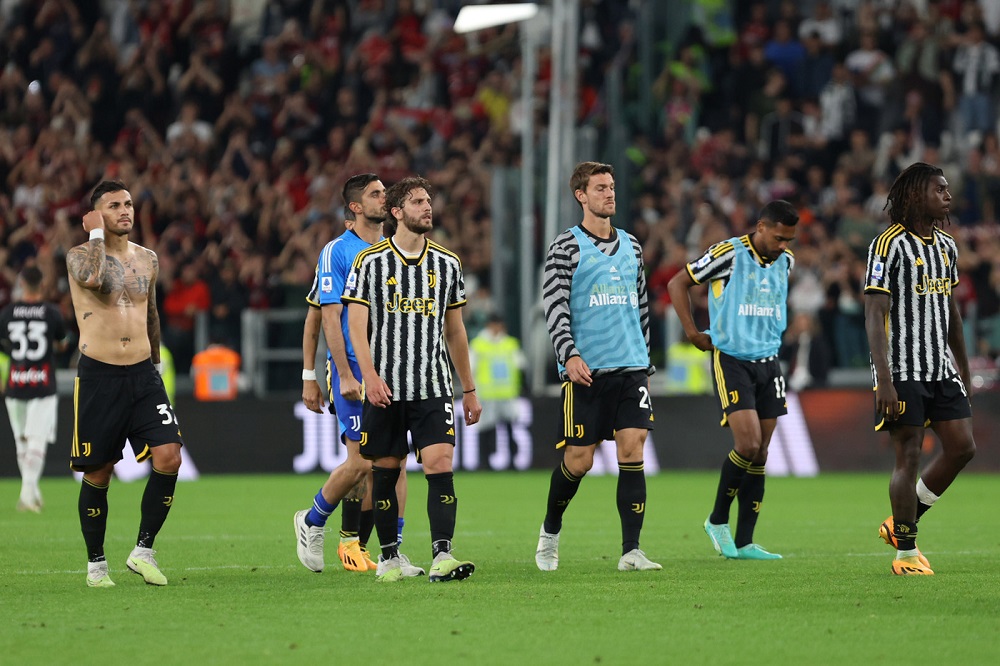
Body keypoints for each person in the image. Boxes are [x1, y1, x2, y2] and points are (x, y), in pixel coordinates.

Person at [344, 175, 482, 582]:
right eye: (418, 202)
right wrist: (369, 376)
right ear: (397, 212)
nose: (427, 207)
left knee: (440, 462)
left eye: (428, 201)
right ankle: (389, 558)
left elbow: (455, 331)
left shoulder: (448, 263)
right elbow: (356, 325)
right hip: (385, 389)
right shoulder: (370, 262)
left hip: (433, 386)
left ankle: (443, 555)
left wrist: (469, 389)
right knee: (386, 470)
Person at [534, 161, 661, 573]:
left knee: (633, 448)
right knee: (579, 461)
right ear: (581, 196)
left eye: (611, 187)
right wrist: (568, 354)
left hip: (631, 367)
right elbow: (554, 306)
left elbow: (641, 307)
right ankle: (550, 530)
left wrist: (645, 360)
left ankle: (631, 550)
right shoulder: (565, 246)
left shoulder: (632, 246)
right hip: (587, 371)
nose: (609, 194)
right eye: (600, 188)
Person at [66, 180, 183, 588]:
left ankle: (143, 551)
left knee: (169, 456)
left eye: (128, 204)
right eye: (114, 205)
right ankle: (96, 565)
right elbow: (95, 279)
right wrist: (96, 234)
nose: (125, 211)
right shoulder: (79, 255)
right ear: (96, 214)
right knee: (100, 472)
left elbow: (150, 313)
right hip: (100, 375)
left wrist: (156, 365)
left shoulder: (147, 258)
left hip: (143, 375)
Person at [667, 199, 799, 561]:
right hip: (733, 360)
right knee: (748, 443)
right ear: (761, 227)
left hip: (769, 362)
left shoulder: (786, 262)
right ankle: (716, 520)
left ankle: (745, 542)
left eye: (789, 240)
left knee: (761, 452)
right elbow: (678, 283)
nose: (783, 245)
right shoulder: (728, 254)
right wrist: (692, 332)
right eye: (778, 237)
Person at [863, 162, 976, 576]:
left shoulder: (946, 246)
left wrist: (963, 368)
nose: (948, 196)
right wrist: (884, 379)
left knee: (962, 447)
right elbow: (874, 313)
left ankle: (901, 523)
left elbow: (951, 312)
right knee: (908, 455)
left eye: (947, 189)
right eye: (939, 189)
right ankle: (906, 554)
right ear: (915, 195)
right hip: (902, 369)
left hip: (940, 367)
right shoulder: (887, 245)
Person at [294, 174, 410, 574]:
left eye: (384, 192)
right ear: (356, 207)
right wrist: (333, 374)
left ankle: (391, 551)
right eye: (376, 194)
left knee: (395, 462)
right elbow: (325, 317)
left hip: (391, 370)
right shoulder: (338, 252)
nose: (384, 197)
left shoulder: (393, 249)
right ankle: (312, 520)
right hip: (354, 371)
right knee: (361, 463)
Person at [0, 266, 69, 512]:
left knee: (22, 442)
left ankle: (30, 492)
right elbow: (62, 344)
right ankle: (28, 494)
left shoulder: (8, 312)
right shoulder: (51, 312)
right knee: (37, 440)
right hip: (42, 383)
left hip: (16, 382)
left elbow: (4, 345)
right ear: (42, 284)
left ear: (21, 283)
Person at [469, 312, 529, 469]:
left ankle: (512, 462)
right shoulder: (478, 344)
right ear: (488, 325)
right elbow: (470, 368)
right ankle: (484, 462)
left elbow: (520, 366)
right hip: (486, 394)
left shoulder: (510, 343)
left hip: (507, 394)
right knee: (485, 430)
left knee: (509, 429)